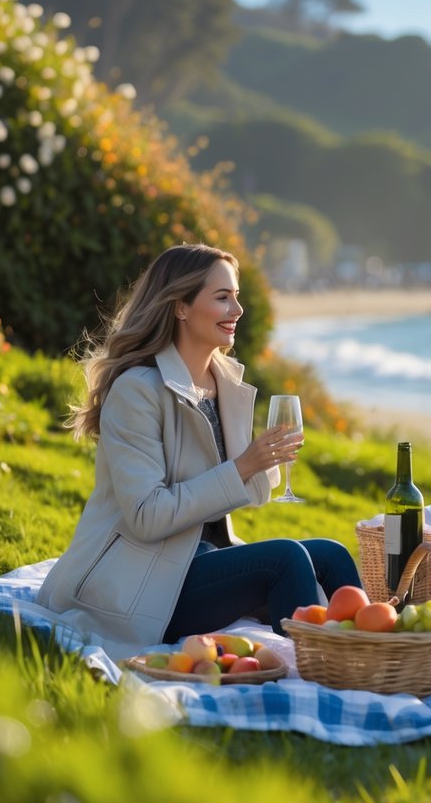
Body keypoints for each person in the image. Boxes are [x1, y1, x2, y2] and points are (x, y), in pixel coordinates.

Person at [36, 243, 361, 656]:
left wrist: (263, 463)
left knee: (330, 555)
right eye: (223, 297)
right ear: (181, 307)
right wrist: (242, 466)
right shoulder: (137, 391)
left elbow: (256, 493)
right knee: (286, 559)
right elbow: (146, 517)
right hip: (143, 578)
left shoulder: (224, 382)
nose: (237, 310)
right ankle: (321, 669)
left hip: (200, 560)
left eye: (237, 296)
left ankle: (379, 649)